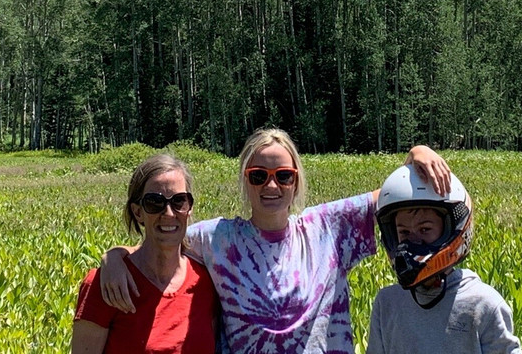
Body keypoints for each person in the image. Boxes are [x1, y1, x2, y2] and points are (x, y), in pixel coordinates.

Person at [99, 127, 452, 353]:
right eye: (258, 176)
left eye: (283, 175)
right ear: (244, 180)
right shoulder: (218, 238)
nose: (271, 186)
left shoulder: (328, 227)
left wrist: (416, 153)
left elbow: (396, 198)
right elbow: (164, 237)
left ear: (296, 181)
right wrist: (115, 256)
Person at [72, 153, 219, 354]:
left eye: (179, 201)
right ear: (138, 212)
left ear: (189, 208)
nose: (168, 213)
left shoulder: (205, 281)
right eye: (154, 202)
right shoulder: (106, 285)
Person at [366, 164, 521, 354]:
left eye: (425, 230)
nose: (413, 241)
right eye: (404, 232)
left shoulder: (483, 304)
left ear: (452, 229)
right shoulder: (387, 302)